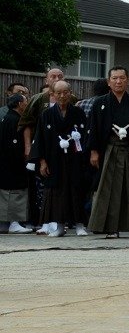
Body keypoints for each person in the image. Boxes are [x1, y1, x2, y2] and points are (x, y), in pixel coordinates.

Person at [87, 67, 129, 239]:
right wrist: (94, 152)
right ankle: (111, 228)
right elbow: (93, 129)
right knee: (109, 189)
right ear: (109, 81)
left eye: (122, 78)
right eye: (115, 78)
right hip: (109, 150)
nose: (118, 82)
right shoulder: (100, 103)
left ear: (127, 80)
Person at [28, 81, 89, 237]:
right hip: (54, 160)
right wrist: (42, 162)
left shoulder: (78, 112)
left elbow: (86, 137)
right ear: (53, 94)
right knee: (57, 194)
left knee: (77, 190)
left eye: (66, 92)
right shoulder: (46, 115)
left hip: (75, 159)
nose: (62, 96)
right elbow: (39, 139)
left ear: (70, 93)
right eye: (59, 93)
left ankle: (80, 225)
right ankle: (59, 226)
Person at [1, 94, 30, 233]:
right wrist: (22, 160)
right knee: (14, 192)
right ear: (19, 103)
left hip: (6, 162)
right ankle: (14, 223)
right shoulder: (14, 120)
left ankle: (9, 223)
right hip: (12, 163)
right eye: (26, 101)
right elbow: (14, 144)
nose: (27, 103)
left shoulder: (7, 117)